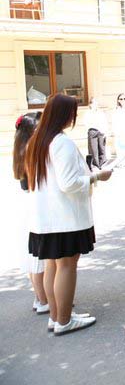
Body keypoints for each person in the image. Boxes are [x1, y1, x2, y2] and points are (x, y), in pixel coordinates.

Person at [24, 94, 113, 334]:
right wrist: (97, 176)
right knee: (66, 266)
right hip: (64, 217)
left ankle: (56, 317)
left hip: (46, 217)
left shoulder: (37, 141)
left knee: (53, 265)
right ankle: (64, 320)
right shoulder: (60, 142)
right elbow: (69, 183)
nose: (74, 117)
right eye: (73, 113)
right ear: (64, 115)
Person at [13, 113, 48, 316]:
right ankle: (44, 300)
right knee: (38, 258)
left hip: (26, 204)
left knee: (32, 257)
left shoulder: (20, 148)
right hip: (35, 205)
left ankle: (39, 297)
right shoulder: (31, 151)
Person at [83, 98, 108, 169]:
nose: (96, 104)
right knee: (93, 150)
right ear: (90, 104)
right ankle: (95, 166)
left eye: (96, 103)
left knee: (102, 148)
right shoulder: (88, 113)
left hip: (101, 131)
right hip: (92, 131)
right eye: (94, 103)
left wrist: (105, 132)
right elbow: (86, 123)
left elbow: (104, 122)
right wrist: (90, 132)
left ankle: (102, 164)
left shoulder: (101, 113)